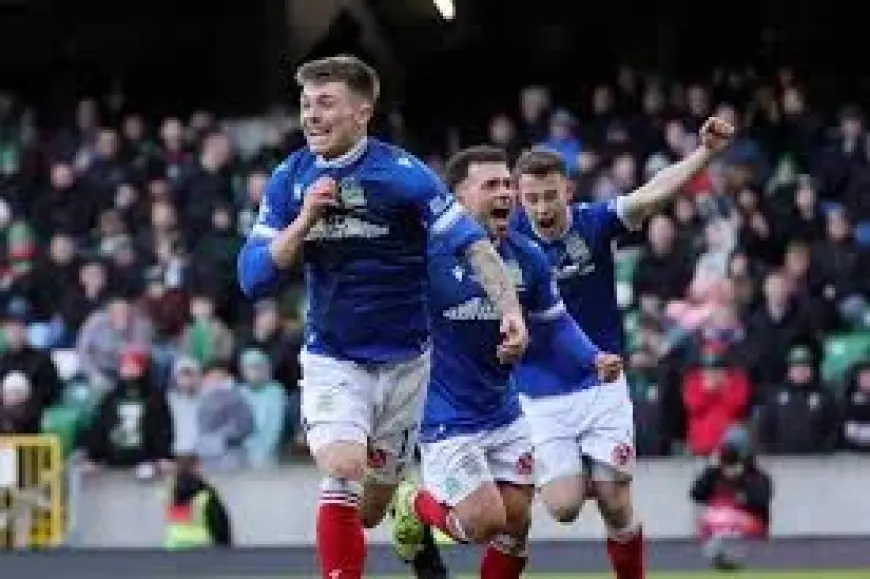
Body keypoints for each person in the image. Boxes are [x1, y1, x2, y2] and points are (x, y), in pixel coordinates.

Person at [236, 55, 527, 579]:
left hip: (406, 365)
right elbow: (253, 277)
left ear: (362, 111)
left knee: (369, 510)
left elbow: (474, 248)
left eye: (326, 103)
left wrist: (510, 311)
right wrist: (305, 221)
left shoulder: (405, 176)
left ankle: (407, 509)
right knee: (342, 468)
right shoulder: (289, 180)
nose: (311, 116)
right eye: (305, 105)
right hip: (335, 356)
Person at [511, 116, 734, 579]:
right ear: (518, 197)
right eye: (531, 198)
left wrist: (705, 154)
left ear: (567, 190)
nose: (541, 206)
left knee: (616, 505)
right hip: (540, 392)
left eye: (549, 195)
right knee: (565, 507)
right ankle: (564, 472)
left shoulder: (595, 224)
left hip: (601, 380)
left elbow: (654, 193)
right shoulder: (506, 241)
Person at [390, 146, 621, 579]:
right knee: (482, 522)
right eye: (491, 185)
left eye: (507, 185)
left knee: (516, 525)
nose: (506, 194)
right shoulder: (425, 256)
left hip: (503, 410)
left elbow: (556, 324)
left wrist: (592, 358)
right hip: (444, 415)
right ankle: (413, 505)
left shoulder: (527, 256)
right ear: (458, 199)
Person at [690, 427, 772, 570]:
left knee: (726, 518)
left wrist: (742, 478)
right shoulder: (714, 474)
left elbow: (760, 499)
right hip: (715, 534)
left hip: (747, 538)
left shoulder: (757, 476)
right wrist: (710, 469)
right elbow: (696, 494)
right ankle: (717, 555)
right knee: (710, 517)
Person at [164, 455, 233, 549]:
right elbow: (220, 527)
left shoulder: (170, 494)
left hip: (174, 545)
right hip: (201, 547)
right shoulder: (206, 496)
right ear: (196, 468)